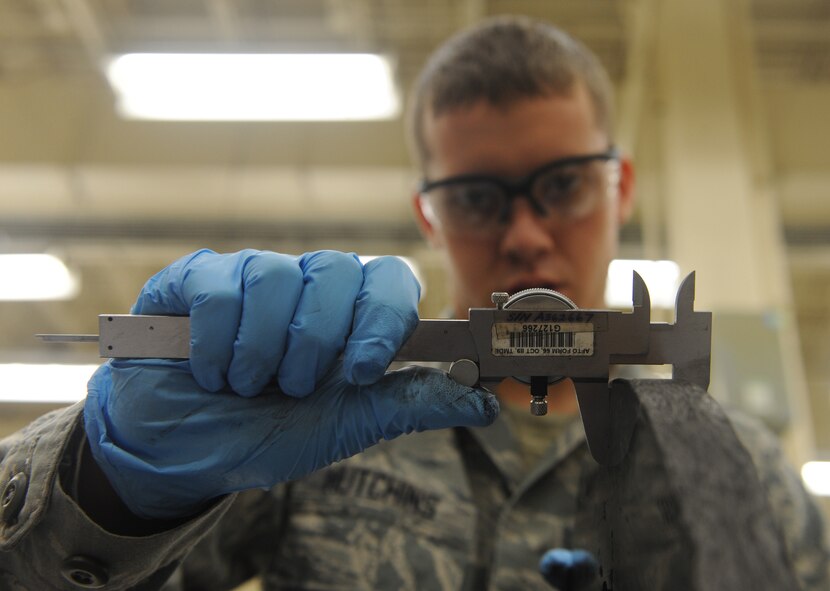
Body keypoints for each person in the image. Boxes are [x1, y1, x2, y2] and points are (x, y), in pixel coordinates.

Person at [1, 15, 827, 591]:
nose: (527, 235)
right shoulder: (297, 428)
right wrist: (105, 488)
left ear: (622, 187)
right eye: (476, 197)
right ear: (427, 213)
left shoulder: (741, 479)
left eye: (566, 185)